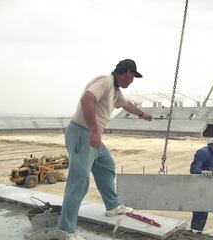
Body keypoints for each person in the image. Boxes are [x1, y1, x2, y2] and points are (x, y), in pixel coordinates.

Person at [58, 59, 152, 239]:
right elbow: (87, 99)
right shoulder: (105, 81)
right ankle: (65, 230)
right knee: (78, 183)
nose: (132, 81)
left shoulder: (116, 90)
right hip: (82, 133)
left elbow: (126, 104)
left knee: (106, 165)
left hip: (92, 135)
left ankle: (113, 206)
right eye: (133, 77)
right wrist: (93, 130)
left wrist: (142, 114)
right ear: (127, 72)